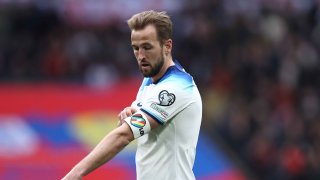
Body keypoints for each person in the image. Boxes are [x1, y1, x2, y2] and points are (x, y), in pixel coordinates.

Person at [62, 10, 202, 180]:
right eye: (136, 48)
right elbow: (136, 119)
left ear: (167, 46)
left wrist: (75, 173)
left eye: (147, 47)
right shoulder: (150, 80)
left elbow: (124, 135)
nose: (140, 55)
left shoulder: (175, 87)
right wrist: (131, 112)